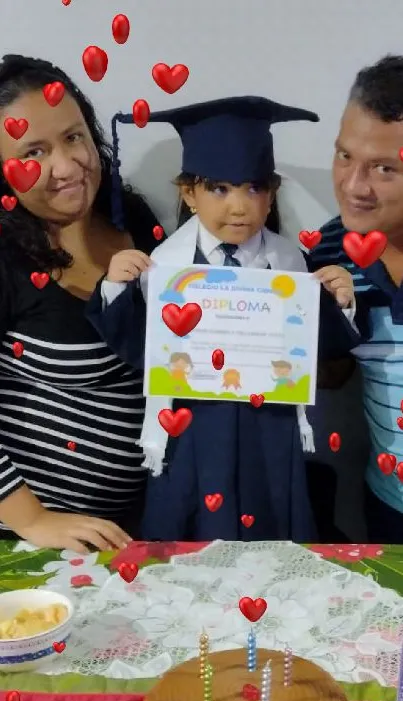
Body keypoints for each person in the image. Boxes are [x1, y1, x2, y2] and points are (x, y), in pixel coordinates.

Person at [88, 95, 359, 542]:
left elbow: (317, 352)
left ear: (271, 193)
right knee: (190, 539)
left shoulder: (291, 264)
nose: (239, 206)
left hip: (268, 429)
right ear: (188, 193)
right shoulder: (164, 267)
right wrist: (117, 288)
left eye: (254, 188)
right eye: (219, 188)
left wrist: (339, 302)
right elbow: (139, 352)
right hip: (192, 425)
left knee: (269, 533)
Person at [0, 53, 163, 552]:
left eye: (73, 137)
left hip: (123, 535)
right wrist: (34, 520)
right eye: (34, 152)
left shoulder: (131, 215)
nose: (66, 167)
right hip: (28, 544)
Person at [308, 54, 403, 543]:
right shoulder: (329, 250)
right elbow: (334, 371)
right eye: (345, 156)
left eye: (385, 168)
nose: (353, 187)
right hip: (388, 508)